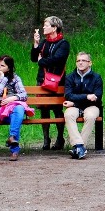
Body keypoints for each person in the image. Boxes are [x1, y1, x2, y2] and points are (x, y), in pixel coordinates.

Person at [30, 16, 70, 150]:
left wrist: (43, 61)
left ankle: (60, 138)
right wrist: (36, 44)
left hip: (57, 81)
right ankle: (46, 139)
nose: (43, 27)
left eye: (46, 25)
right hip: (42, 80)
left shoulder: (64, 44)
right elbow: (34, 58)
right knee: (44, 109)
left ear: (54, 27)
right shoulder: (44, 42)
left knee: (58, 109)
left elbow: (58, 59)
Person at [0, 55, 31, 160]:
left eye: (2, 65)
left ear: (9, 68)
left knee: (19, 109)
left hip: (12, 109)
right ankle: (15, 150)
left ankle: (12, 138)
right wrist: (2, 77)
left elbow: (24, 95)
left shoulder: (15, 77)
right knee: (17, 117)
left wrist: (13, 98)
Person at [62, 52, 103, 160]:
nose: (80, 63)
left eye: (83, 60)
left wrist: (75, 101)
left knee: (90, 116)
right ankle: (80, 146)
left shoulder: (96, 77)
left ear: (90, 63)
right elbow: (69, 95)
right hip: (74, 106)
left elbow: (97, 97)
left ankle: (79, 147)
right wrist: (86, 96)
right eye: (78, 60)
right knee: (68, 114)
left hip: (92, 106)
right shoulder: (70, 77)